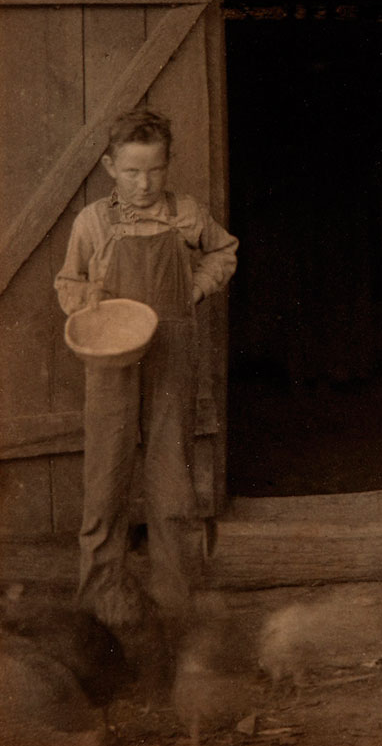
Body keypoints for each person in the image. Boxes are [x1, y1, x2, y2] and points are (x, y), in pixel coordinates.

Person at [55, 109, 238, 625]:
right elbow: (67, 282)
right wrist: (88, 305)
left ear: (168, 165)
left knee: (170, 482)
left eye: (155, 170)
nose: (144, 183)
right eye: (132, 171)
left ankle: (173, 602)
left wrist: (196, 287)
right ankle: (100, 603)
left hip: (172, 356)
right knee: (105, 478)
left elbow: (224, 251)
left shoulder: (186, 213)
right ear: (111, 167)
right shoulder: (93, 222)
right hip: (112, 357)